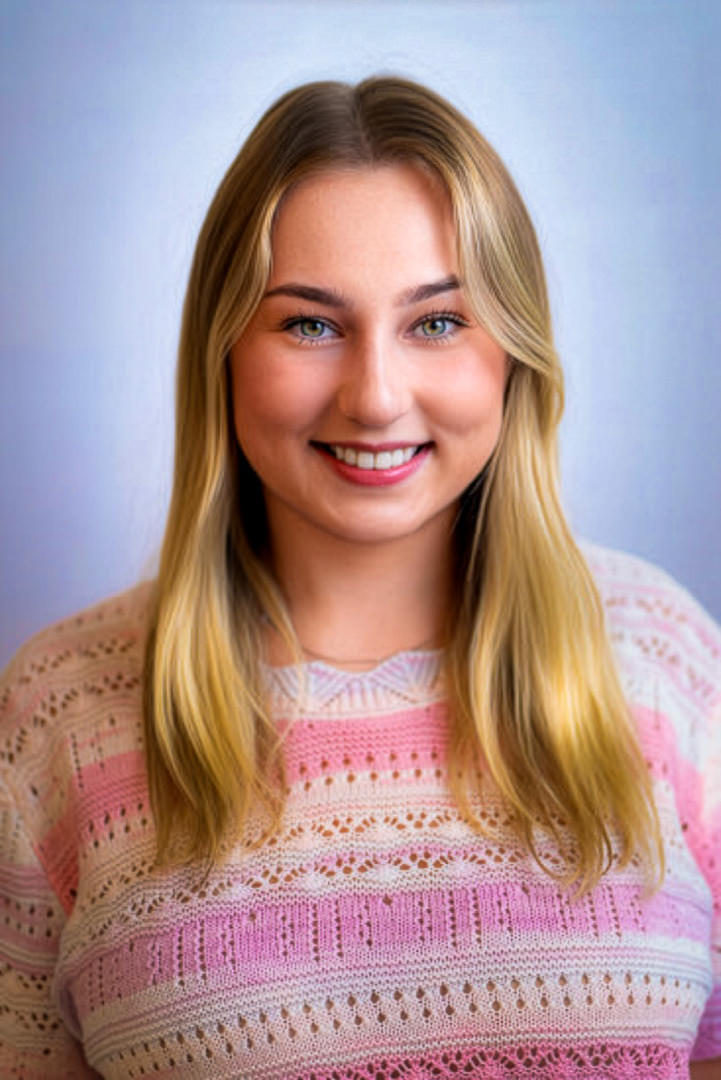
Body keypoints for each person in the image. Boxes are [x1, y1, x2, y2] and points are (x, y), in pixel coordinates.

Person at [0, 76, 719, 1080]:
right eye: (308, 324)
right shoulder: (54, 717)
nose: (375, 397)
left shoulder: (669, 658)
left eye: (436, 322)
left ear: (513, 358)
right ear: (223, 354)